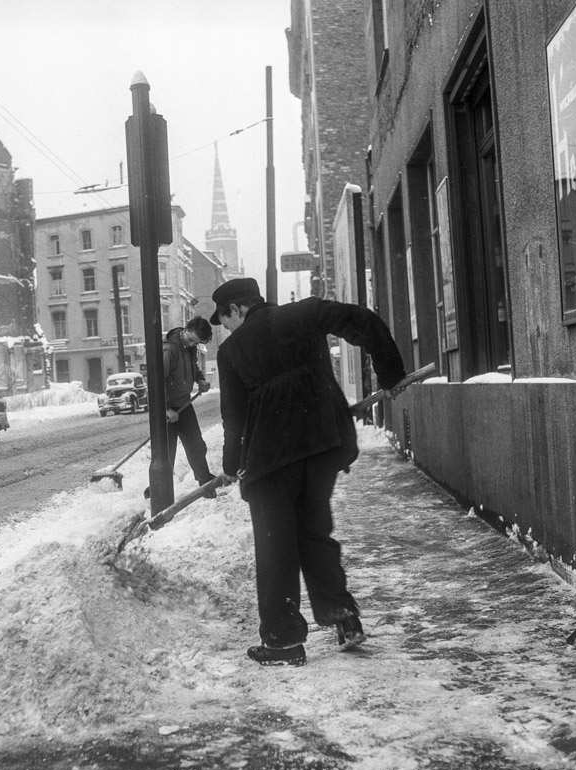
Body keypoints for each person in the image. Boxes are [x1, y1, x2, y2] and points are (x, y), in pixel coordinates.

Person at [211, 277, 406, 666]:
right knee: (314, 532)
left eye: (225, 319)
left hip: (270, 456)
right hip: (322, 442)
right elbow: (364, 321)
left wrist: (232, 465)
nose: (228, 329)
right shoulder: (305, 313)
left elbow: (234, 418)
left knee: (276, 545)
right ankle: (343, 616)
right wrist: (391, 375)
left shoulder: (232, 350)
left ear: (236, 309)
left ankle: (282, 641)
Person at [160, 315, 217, 497]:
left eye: (196, 343)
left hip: (184, 405)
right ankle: (157, 491)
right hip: (168, 410)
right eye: (192, 339)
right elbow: (157, 381)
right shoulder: (170, 349)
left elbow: (193, 367)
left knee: (196, 445)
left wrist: (200, 380)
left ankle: (204, 483)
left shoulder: (189, 347)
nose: (193, 344)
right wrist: (167, 408)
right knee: (166, 454)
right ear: (186, 329)